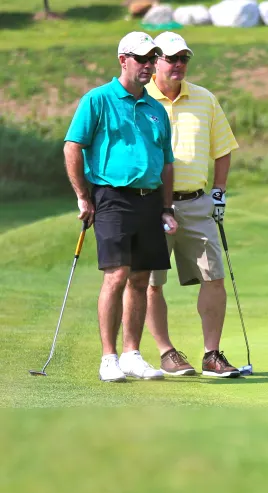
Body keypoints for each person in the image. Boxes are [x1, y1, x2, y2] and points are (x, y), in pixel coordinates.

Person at [64, 32, 177, 383]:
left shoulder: (156, 109)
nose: (148, 65)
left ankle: (132, 354)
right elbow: (73, 146)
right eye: (142, 58)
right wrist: (84, 195)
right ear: (123, 60)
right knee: (116, 276)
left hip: (150, 200)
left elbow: (167, 163)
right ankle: (108, 357)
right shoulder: (97, 99)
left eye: (152, 58)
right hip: (112, 197)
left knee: (141, 279)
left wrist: (167, 206)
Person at [144, 32, 242, 378]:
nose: (179, 65)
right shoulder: (140, 99)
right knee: (152, 282)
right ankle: (166, 352)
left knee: (213, 276)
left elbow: (223, 148)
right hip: (152, 205)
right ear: (155, 61)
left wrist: (219, 191)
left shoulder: (204, 98)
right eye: (171, 59)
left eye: (184, 58)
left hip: (197, 202)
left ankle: (211, 354)